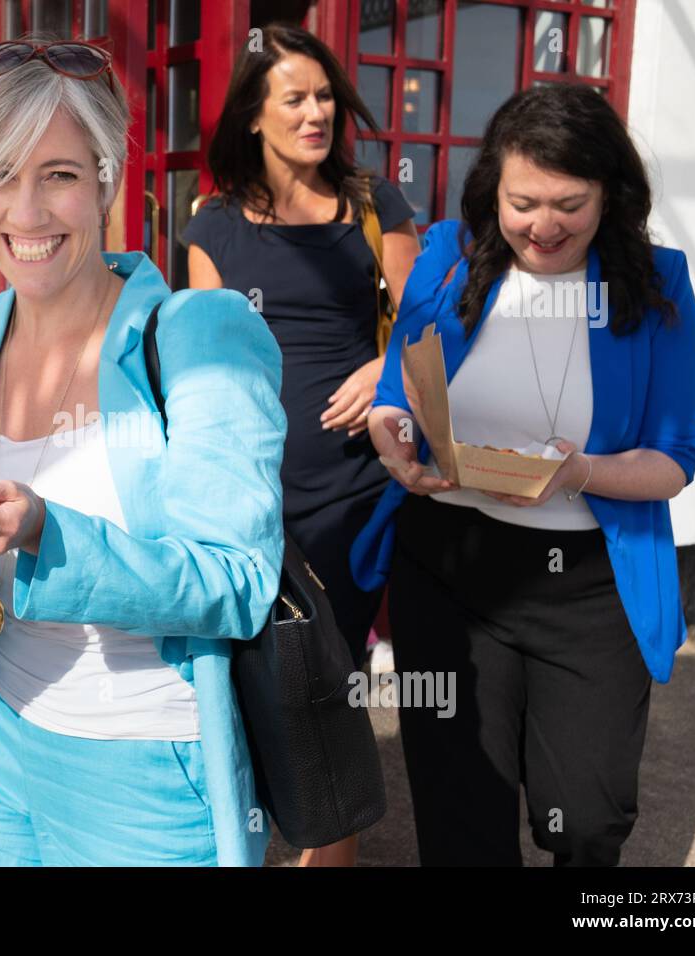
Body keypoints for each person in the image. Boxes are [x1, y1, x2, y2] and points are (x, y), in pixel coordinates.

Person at [0, 33, 287, 866]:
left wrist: (50, 533)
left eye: (58, 175)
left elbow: (237, 583)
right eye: (0, 177)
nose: (26, 214)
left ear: (106, 181)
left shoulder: (203, 335)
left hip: (150, 778)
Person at [351, 83, 695, 866]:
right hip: (448, 570)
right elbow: (395, 395)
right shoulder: (448, 254)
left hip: (588, 587)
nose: (543, 226)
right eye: (523, 202)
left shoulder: (659, 286)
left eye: (569, 204)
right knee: (460, 820)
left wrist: (578, 472)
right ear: (494, 190)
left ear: (610, 196)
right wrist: (394, 442)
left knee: (585, 818)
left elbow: (675, 461)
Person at [183, 21, 419, 867]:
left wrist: (384, 371)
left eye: (325, 96)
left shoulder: (373, 204)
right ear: (254, 114)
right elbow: (199, 363)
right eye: (296, 98)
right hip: (252, 491)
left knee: (336, 670)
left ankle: (336, 850)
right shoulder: (212, 227)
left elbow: (425, 332)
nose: (317, 112)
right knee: (251, 673)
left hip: (355, 487)